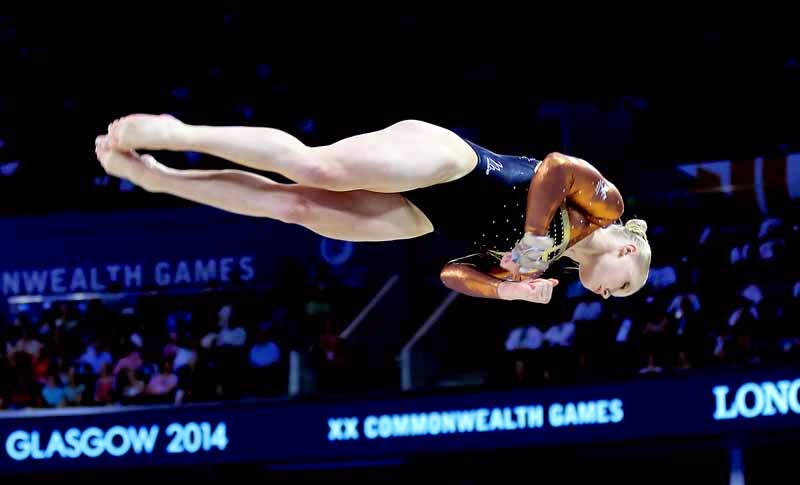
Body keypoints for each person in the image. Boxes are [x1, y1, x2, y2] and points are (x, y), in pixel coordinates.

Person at [95, 115, 651, 306]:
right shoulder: (606, 208)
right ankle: (178, 132)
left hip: (423, 215)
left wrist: (503, 288)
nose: (607, 296)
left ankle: (155, 177)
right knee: (314, 169)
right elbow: (554, 167)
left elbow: (452, 272)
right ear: (628, 249)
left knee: (291, 207)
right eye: (622, 287)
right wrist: (532, 238)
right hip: (454, 165)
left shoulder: (545, 270)